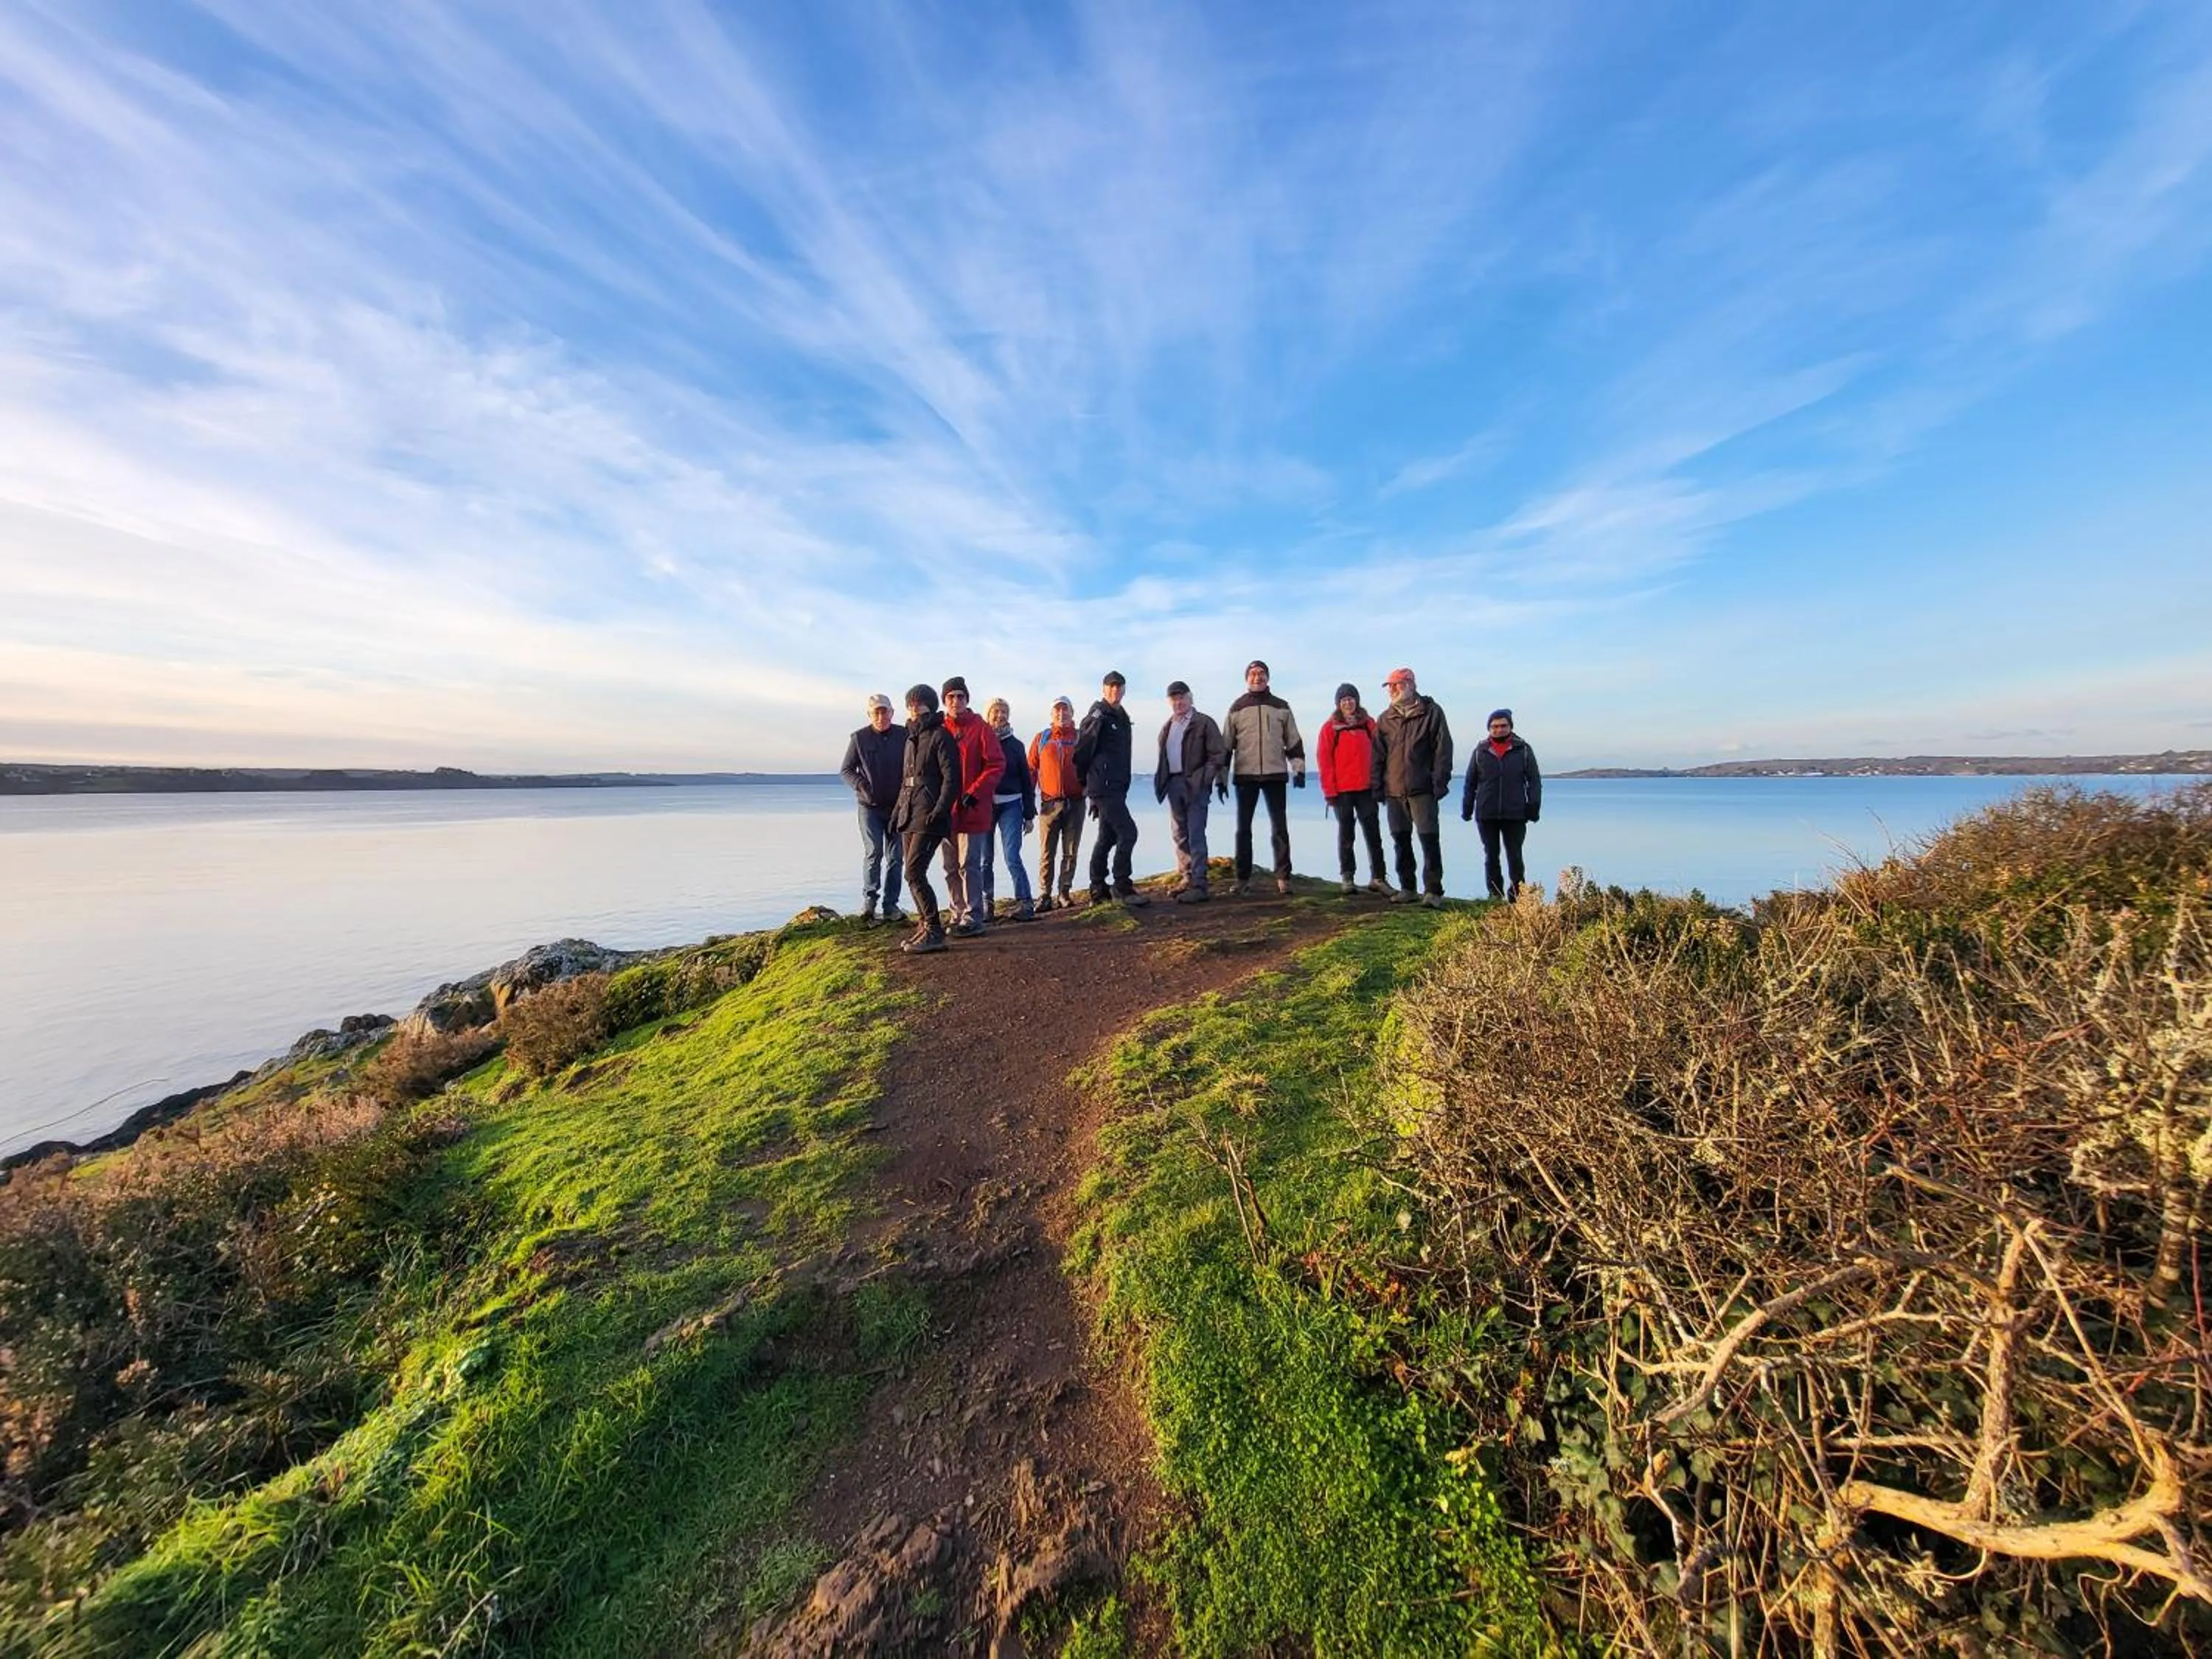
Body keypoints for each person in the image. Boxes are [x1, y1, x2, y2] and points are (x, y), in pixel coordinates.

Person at [1222, 659, 1306, 896]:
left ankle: (1283, 877)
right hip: (1245, 775)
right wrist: (1221, 778)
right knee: (1243, 829)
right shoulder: (1237, 708)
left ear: (1268, 678)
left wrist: (1298, 769)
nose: (1257, 677)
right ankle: (1242, 879)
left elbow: (1294, 742)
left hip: (1275, 775)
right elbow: (1226, 746)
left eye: (1261, 673)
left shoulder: (1281, 706)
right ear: (1246, 678)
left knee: (1279, 827)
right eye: (1252, 674)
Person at [1373, 667, 1454, 908]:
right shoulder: (1385, 719)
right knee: (1401, 840)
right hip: (1394, 790)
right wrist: (1377, 786)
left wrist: (1439, 783)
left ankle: (1433, 891)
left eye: (1396, 685)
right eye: (1389, 686)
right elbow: (1377, 756)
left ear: (1410, 684)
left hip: (1423, 789)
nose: (1392, 690)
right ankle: (1408, 888)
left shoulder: (1432, 712)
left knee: (1429, 840)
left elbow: (1443, 749)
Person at [890, 684, 961, 955]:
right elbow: (906, 781)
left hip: (930, 814)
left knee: (913, 872)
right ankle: (926, 924)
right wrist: (898, 810)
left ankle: (934, 930)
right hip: (910, 812)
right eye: (910, 704)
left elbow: (952, 779)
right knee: (911, 874)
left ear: (930, 706)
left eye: (918, 703)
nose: (914, 708)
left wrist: (941, 810)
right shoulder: (911, 739)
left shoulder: (941, 736)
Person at [1074, 670, 1148, 908]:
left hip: (1116, 787)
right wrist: (1086, 784)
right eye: (1111, 687)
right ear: (1104, 690)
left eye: (1119, 687)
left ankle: (1097, 888)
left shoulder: (1121, 717)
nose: (1115, 691)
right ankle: (1122, 886)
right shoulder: (1099, 715)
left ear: (1124, 690)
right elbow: (1082, 751)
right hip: (1103, 786)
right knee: (1128, 833)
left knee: (1107, 837)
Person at [937, 676, 1004, 936]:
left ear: (967, 700)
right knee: (950, 866)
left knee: (970, 864)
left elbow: (996, 764)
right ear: (945, 701)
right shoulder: (940, 729)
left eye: (960, 697)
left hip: (973, 809)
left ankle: (974, 915)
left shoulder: (981, 728)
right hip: (945, 810)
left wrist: (975, 792)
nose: (956, 701)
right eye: (951, 697)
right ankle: (957, 912)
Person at [1315, 683, 1392, 898]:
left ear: (1357, 700)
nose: (1348, 703)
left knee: (1373, 834)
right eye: (1343, 700)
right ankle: (1347, 877)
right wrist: (1329, 791)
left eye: (1351, 699)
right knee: (1346, 834)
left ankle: (1379, 877)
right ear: (1338, 704)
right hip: (1342, 791)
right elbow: (1324, 761)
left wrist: (1381, 784)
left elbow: (1381, 755)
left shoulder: (1369, 724)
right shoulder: (1330, 728)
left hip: (1367, 789)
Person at [1153, 680, 1228, 903]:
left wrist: (1204, 778)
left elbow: (1218, 754)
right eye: (1174, 699)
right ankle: (1187, 877)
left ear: (1190, 698)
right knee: (1179, 834)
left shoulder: (1204, 723)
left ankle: (1200, 883)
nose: (1178, 702)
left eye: (1182, 697)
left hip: (1196, 785)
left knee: (1196, 834)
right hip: (1174, 785)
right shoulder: (1168, 726)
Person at [838, 693, 908, 925]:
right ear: (870, 715)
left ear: (892, 713)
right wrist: (861, 785)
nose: (881, 716)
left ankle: (891, 906)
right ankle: (869, 904)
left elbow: (913, 768)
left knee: (897, 857)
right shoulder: (859, 738)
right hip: (869, 807)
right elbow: (846, 770)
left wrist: (908, 796)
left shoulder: (904, 736)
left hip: (898, 807)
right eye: (876, 712)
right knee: (874, 852)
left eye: (885, 711)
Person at [1461, 707, 1542, 901]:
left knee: (1515, 856)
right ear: (1489, 728)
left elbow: (1534, 780)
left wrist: (1533, 807)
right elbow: (1470, 782)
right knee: (1491, 855)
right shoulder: (1480, 751)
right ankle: (1494, 894)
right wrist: (1467, 808)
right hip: (1486, 812)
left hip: (1515, 812)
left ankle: (1518, 896)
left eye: (1503, 726)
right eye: (1494, 726)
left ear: (1510, 727)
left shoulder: (1523, 750)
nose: (1498, 730)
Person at [981, 698, 1037, 921]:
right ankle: (987, 905)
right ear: (988, 715)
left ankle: (1025, 903)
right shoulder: (981, 742)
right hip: (985, 805)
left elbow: (1027, 780)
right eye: (996, 712)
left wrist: (1029, 814)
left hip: (1012, 804)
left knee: (1012, 855)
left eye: (1004, 712)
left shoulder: (1016, 746)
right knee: (985, 858)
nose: (1000, 715)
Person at [1029, 698, 1084, 911]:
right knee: (1046, 851)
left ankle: (1064, 892)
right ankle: (1044, 894)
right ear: (1052, 714)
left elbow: (1090, 765)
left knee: (1070, 851)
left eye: (1066, 710)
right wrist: (1028, 803)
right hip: (1049, 804)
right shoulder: (1042, 739)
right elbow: (1031, 770)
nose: (1062, 714)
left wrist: (1088, 788)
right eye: (1058, 710)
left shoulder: (1081, 737)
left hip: (1076, 803)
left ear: (1072, 712)